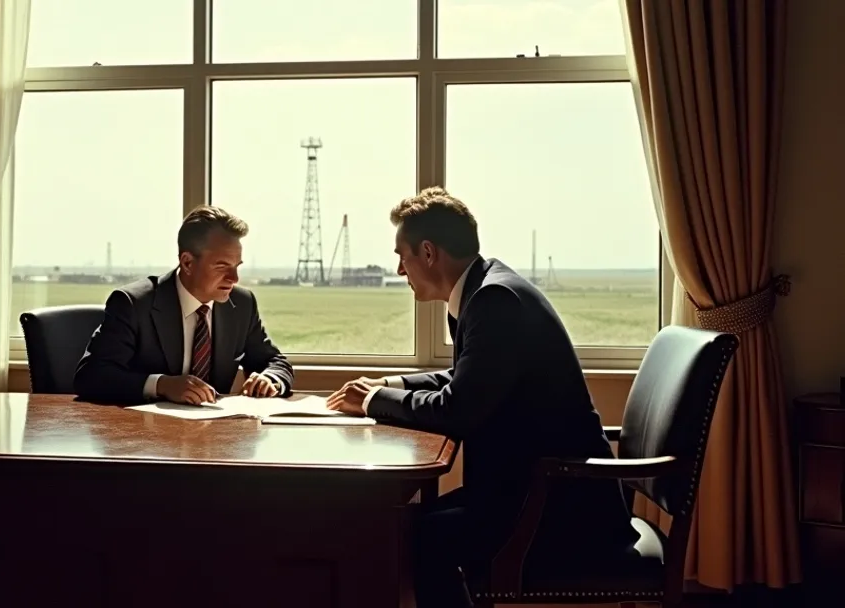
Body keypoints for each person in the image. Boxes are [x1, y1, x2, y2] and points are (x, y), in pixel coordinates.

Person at [326, 187, 638, 607]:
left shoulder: (494, 301)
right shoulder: (487, 288)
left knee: (421, 537)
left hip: (561, 506)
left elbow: (458, 409)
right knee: (404, 527)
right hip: (537, 488)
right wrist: (393, 384)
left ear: (429, 253)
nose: (399, 270)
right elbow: (467, 378)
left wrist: (372, 402)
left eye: (402, 256)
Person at [74, 206, 293, 405]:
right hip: (144, 439)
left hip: (215, 439)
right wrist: (162, 385)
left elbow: (273, 361)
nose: (234, 278)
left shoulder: (242, 304)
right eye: (222, 266)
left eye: (237, 266)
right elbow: (91, 377)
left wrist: (270, 378)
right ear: (187, 262)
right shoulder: (134, 303)